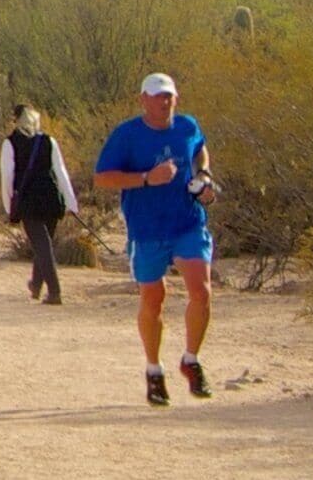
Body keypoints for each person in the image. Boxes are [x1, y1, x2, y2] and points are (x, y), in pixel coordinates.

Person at [93, 71, 219, 406]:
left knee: (201, 290)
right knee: (153, 298)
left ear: (176, 98)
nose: (164, 102)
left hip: (188, 223)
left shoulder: (188, 126)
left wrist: (203, 176)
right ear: (143, 100)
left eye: (169, 96)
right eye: (157, 96)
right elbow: (103, 178)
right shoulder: (127, 135)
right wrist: (148, 178)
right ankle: (154, 370)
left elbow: (200, 151)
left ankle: (191, 361)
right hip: (147, 229)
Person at [0, 104, 78, 304]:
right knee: (44, 245)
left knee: (42, 246)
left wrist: (10, 206)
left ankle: (55, 292)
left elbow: (7, 177)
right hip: (52, 198)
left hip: (29, 200)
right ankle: (36, 285)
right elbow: (60, 172)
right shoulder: (48, 141)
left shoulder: (10, 143)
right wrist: (70, 201)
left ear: (16, 119)